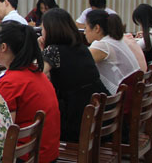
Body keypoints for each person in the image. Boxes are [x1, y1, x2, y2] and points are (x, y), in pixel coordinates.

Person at [0, 21, 60, 163]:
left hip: (29, 159)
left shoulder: (10, 82)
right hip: (47, 153)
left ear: (3, 47)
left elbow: (3, 131)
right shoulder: (35, 72)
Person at [39, 8, 107, 142]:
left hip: (75, 120)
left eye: (42, 28)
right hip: (97, 115)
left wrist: (43, 52)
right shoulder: (81, 47)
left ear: (50, 30)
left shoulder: (53, 50)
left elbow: (37, 77)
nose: (41, 32)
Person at [84, 10, 140, 94]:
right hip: (133, 91)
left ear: (97, 28)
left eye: (85, 27)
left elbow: (80, 65)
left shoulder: (102, 45)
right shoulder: (113, 40)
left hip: (124, 96)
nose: (84, 32)